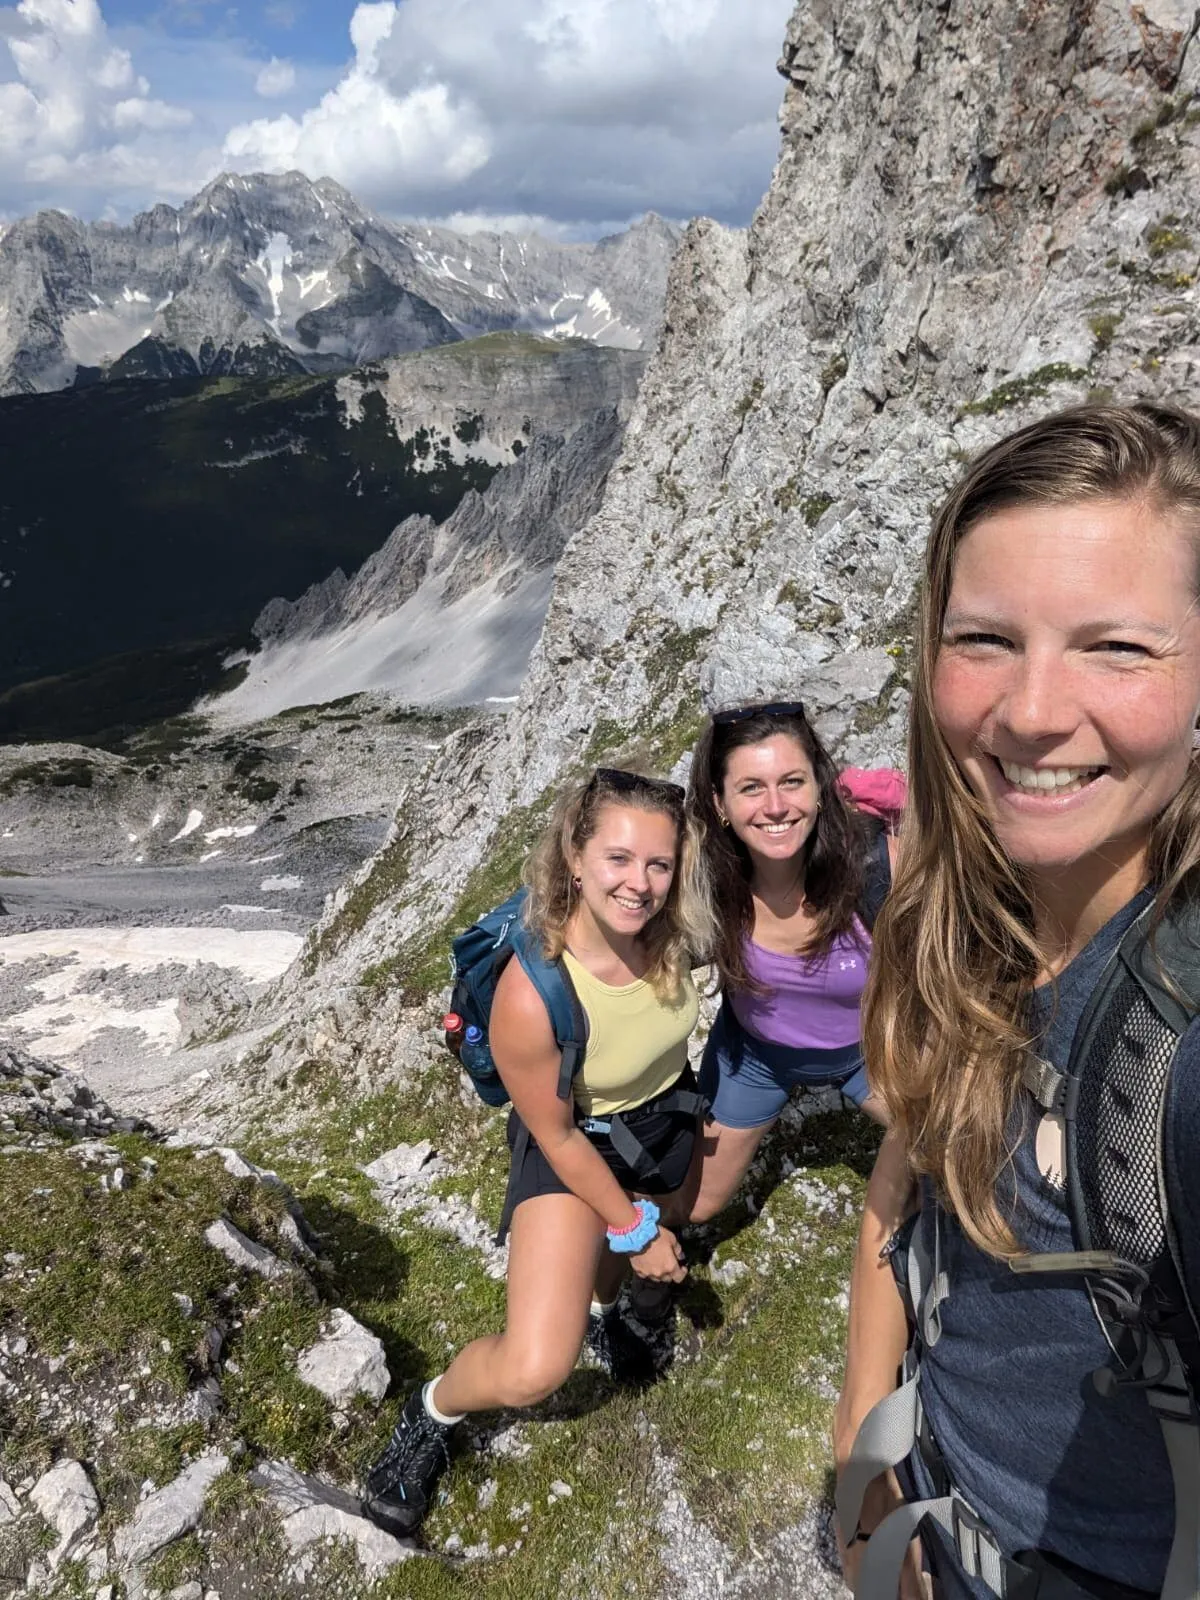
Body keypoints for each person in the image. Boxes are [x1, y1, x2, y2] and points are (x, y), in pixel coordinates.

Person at [835, 402, 1200, 1600]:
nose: (1033, 710)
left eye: (1119, 648)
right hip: (929, 1514)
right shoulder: (971, 906)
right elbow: (908, 1169)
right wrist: (861, 1447)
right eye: (985, 638)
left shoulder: (1179, 1057)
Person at [362, 766, 713, 1539]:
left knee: (624, 1258)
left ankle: (605, 1310)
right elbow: (553, 1134)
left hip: (660, 1124)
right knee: (534, 1370)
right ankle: (433, 1411)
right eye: (618, 860)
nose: (640, 883)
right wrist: (636, 1229)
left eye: (659, 863)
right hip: (573, 1143)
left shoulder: (672, 930)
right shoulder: (535, 992)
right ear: (575, 859)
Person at [683, 701, 896, 1226]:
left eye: (792, 782)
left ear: (821, 789)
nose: (775, 806)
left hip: (868, 1050)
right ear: (721, 804)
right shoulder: (704, 884)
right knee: (698, 1204)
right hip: (755, 1057)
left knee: (953, 1163)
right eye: (751, 788)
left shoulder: (880, 864)